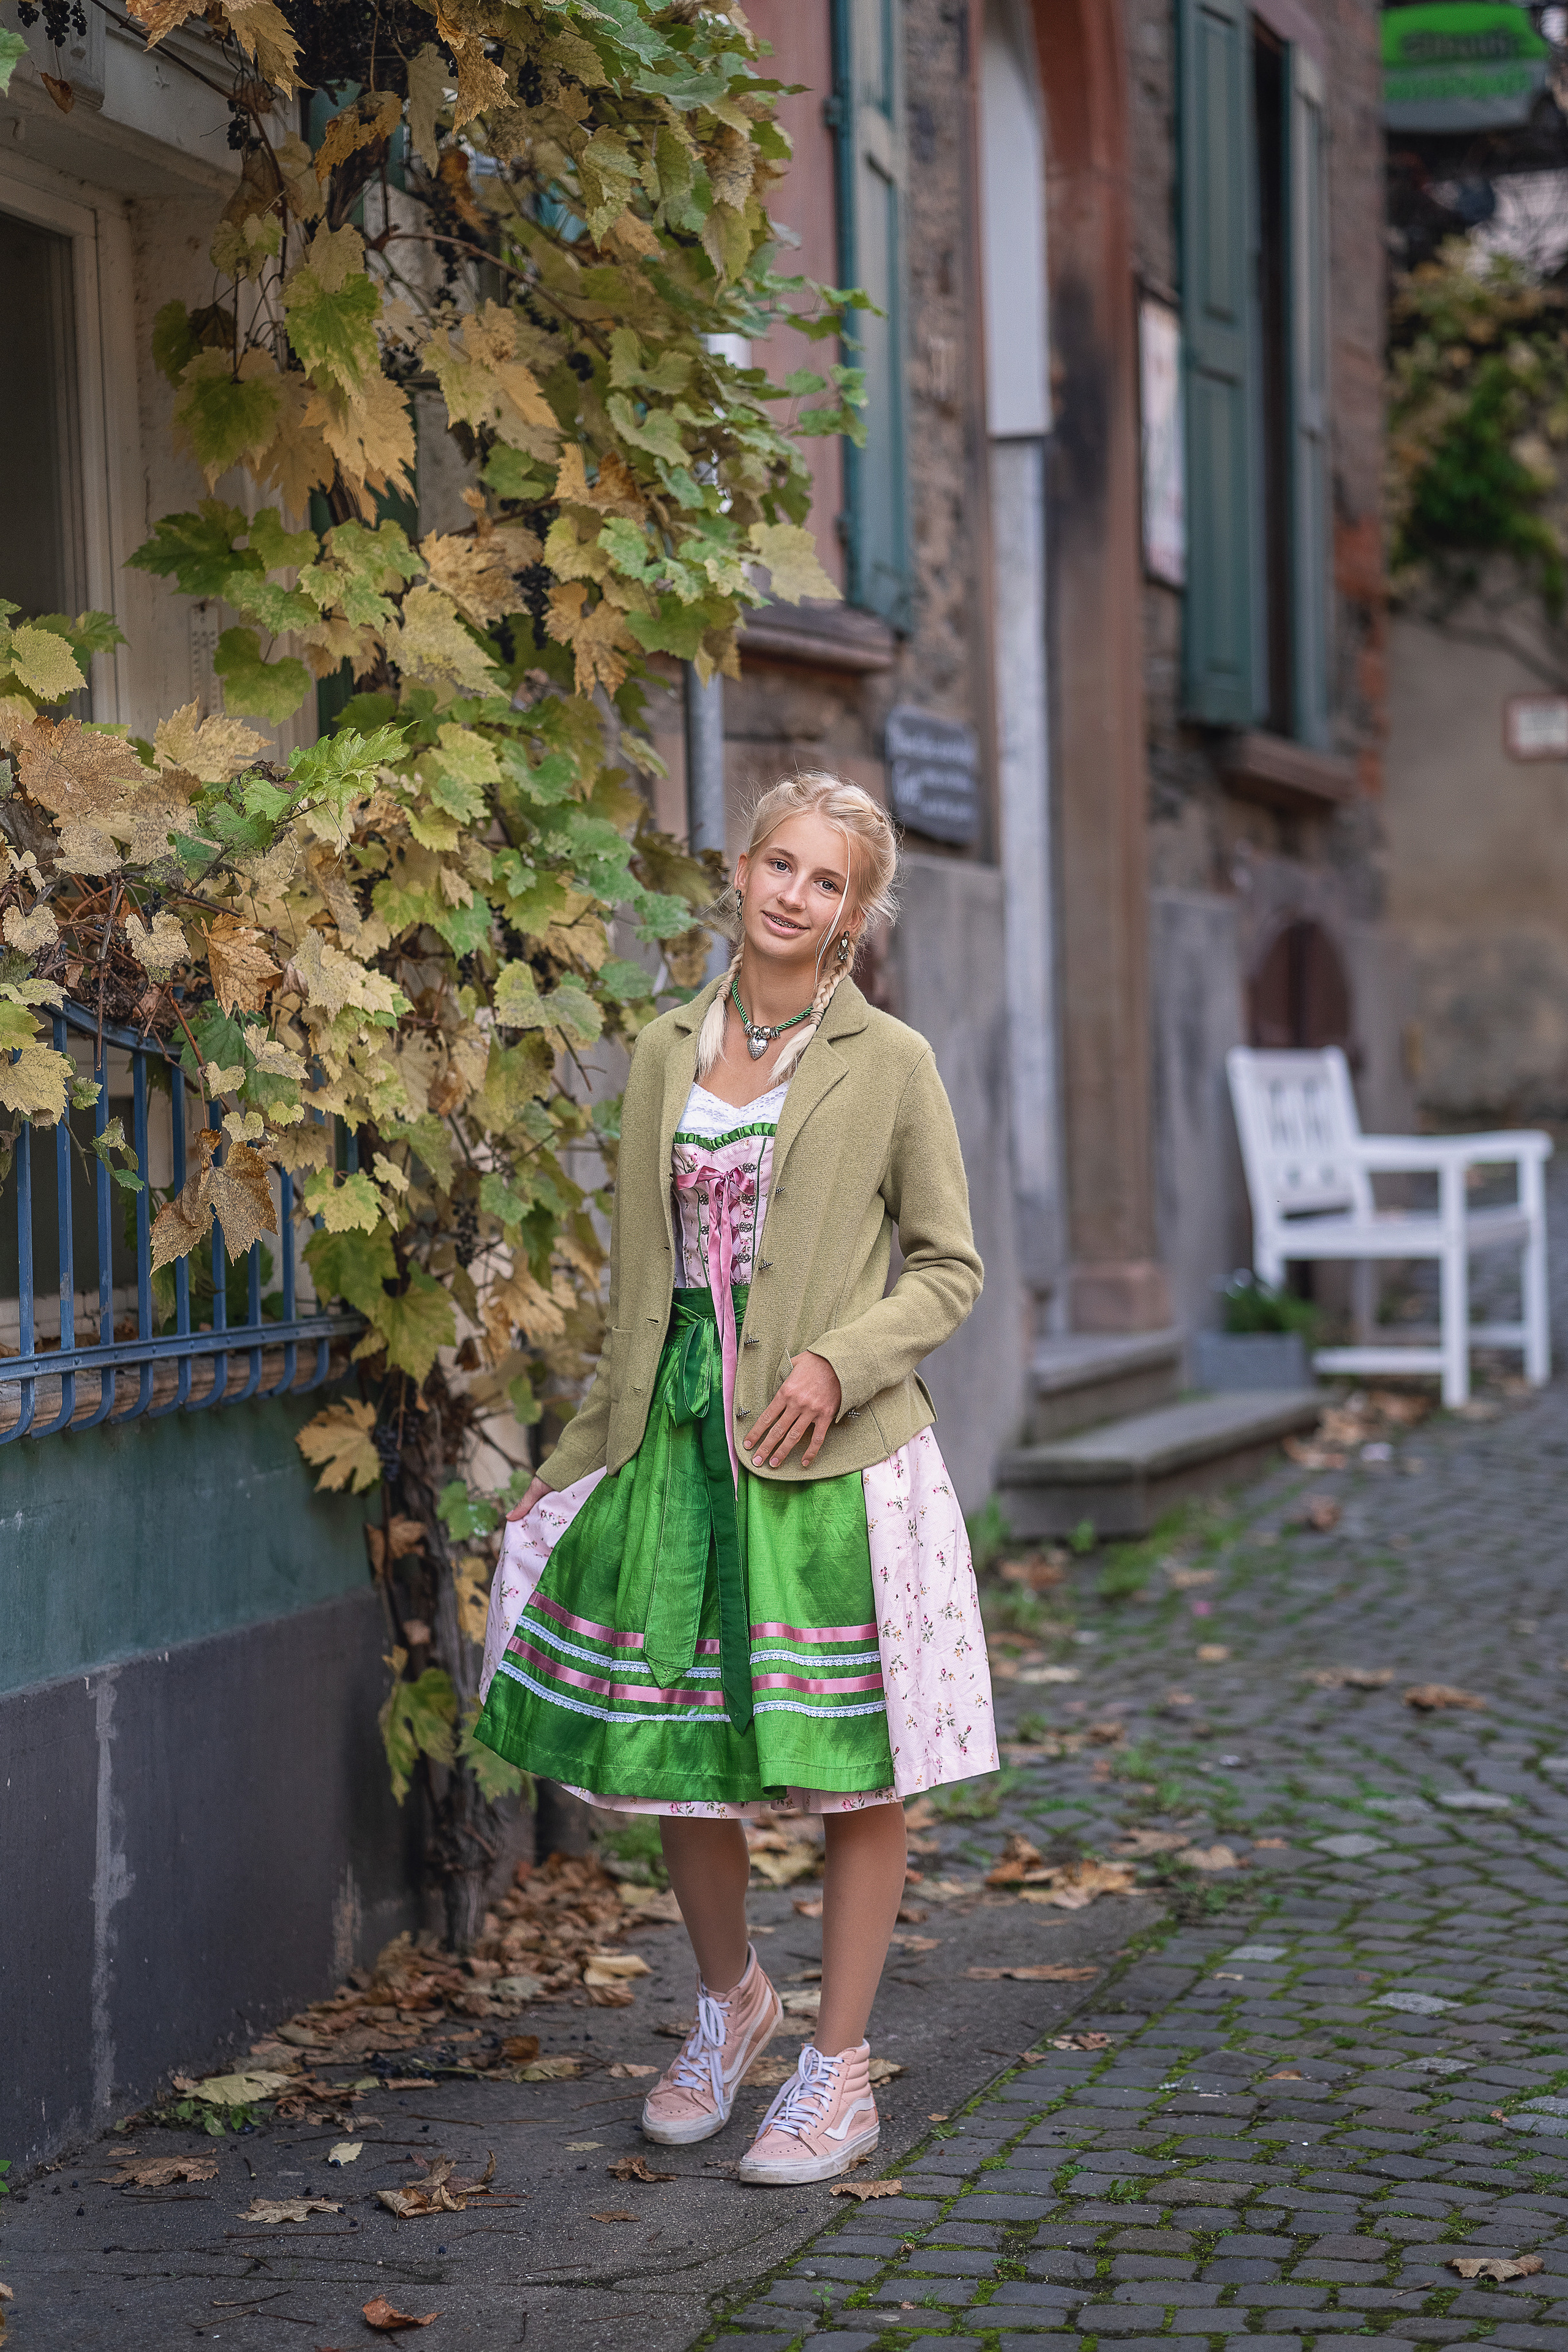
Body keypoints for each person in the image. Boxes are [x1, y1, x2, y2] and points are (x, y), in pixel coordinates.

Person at [475, 771, 995, 2186]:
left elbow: (949, 1265)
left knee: (852, 1761)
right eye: (780, 864)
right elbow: (638, 1291)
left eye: (828, 882)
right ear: (742, 871)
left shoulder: (889, 1061)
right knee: (672, 1750)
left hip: (822, 1447)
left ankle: (837, 2071)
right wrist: (576, 1458)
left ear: (854, 911)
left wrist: (837, 1360)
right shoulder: (658, 1050)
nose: (795, 895)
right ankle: (729, 2009)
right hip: (672, 1436)